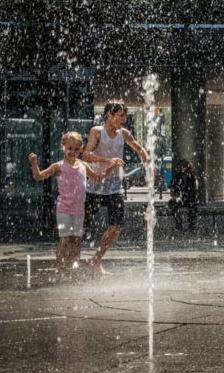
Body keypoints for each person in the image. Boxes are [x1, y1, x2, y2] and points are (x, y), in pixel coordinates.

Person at [28, 131, 119, 282]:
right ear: (62, 147)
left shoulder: (83, 165)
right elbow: (38, 176)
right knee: (65, 240)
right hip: (64, 209)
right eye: (69, 148)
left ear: (81, 150)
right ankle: (59, 269)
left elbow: (97, 178)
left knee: (76, 241)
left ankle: (72, 268)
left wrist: (110, 167)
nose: (72, 152)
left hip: (79, 210)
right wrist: (34, 163)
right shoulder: (58, 166)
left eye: (76, 149)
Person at [81, 101, 148, 275]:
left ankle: (97, 259)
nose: (124, 119)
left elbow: (139, 148)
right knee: (83, 225)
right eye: (120, 115)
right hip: (95, 186)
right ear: (109, 116)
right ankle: (70, 259)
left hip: (114, 187)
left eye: (125, 115)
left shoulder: (123, 133)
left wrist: (148, 161)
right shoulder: (97, 132)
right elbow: (86, 155)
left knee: (117, 225)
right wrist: (107, 161)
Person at [169, 159, 198, 230]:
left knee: (193, 205)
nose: (184, 168)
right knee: (172, 203)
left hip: (189, 199)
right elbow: (173, 189)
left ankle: (191, 224)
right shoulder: (177, 177)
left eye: (185, 166)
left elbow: (194, 191)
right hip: (180, 199)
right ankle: (179, 224)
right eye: (182, 166)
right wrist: (175, 196)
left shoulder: (192, 178)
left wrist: (187, 197)